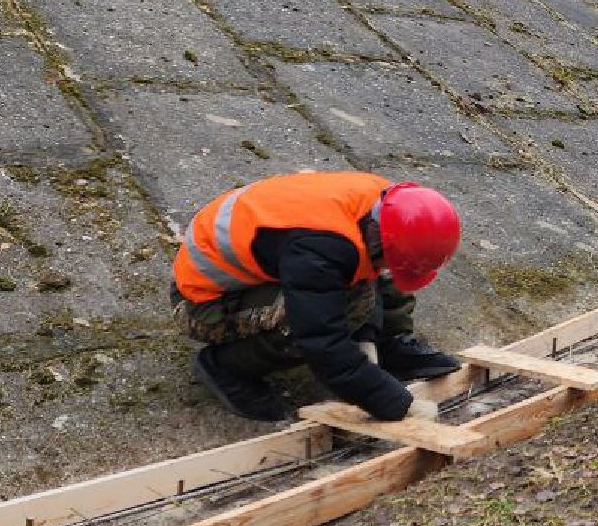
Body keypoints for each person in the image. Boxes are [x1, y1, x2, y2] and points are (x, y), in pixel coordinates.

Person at [172, 171, 464, 422]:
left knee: (378, 272)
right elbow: (322, 341)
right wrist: (395, 404)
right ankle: (226, 366)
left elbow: (381, 272)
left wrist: (377, 339)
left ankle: (392, 347)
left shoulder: (388, 207)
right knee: (325, 312)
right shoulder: (319, 248)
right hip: (204, 303)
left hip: (277, 265)